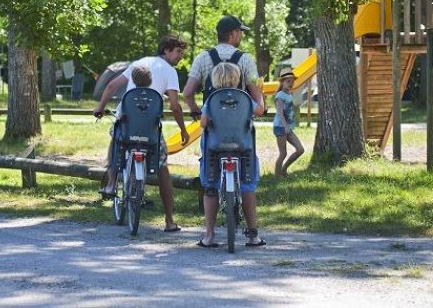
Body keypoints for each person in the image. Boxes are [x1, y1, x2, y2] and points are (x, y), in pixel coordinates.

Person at [94, 35, 189, 233]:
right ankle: (169, 220)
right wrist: (183, 130)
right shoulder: (170, 72)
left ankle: (111, 184)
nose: (181, 57)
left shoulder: (140, 62)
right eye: (179, 52)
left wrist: (100, 108)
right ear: (166, 50)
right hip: (150, 129)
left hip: (127, 123)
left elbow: (112, 86)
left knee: (116, 139)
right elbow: (175, 106)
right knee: (163, 169)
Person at [197, 62, 265, 248]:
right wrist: (259, 94)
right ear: (238, 79)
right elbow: (260, 111)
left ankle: (209, 235)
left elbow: (203, 123)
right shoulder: (244, 99)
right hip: (242, 148)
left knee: (210, 187)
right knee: (248, 186)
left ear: (215, 79)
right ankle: (253, 236)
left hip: (215, 148)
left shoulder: (212, 99)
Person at [273, 67, 305, 177]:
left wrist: (289, 126)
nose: (291, 83)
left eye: (292, 81)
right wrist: (286, 126)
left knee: (300, 149)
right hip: (281, 127)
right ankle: (277, 177)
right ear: (282, 82)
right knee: (283, 153)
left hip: (288, 127)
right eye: (288, 81)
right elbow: (280, 113)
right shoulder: (280, 95)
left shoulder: (289, 94)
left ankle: (284, 169)